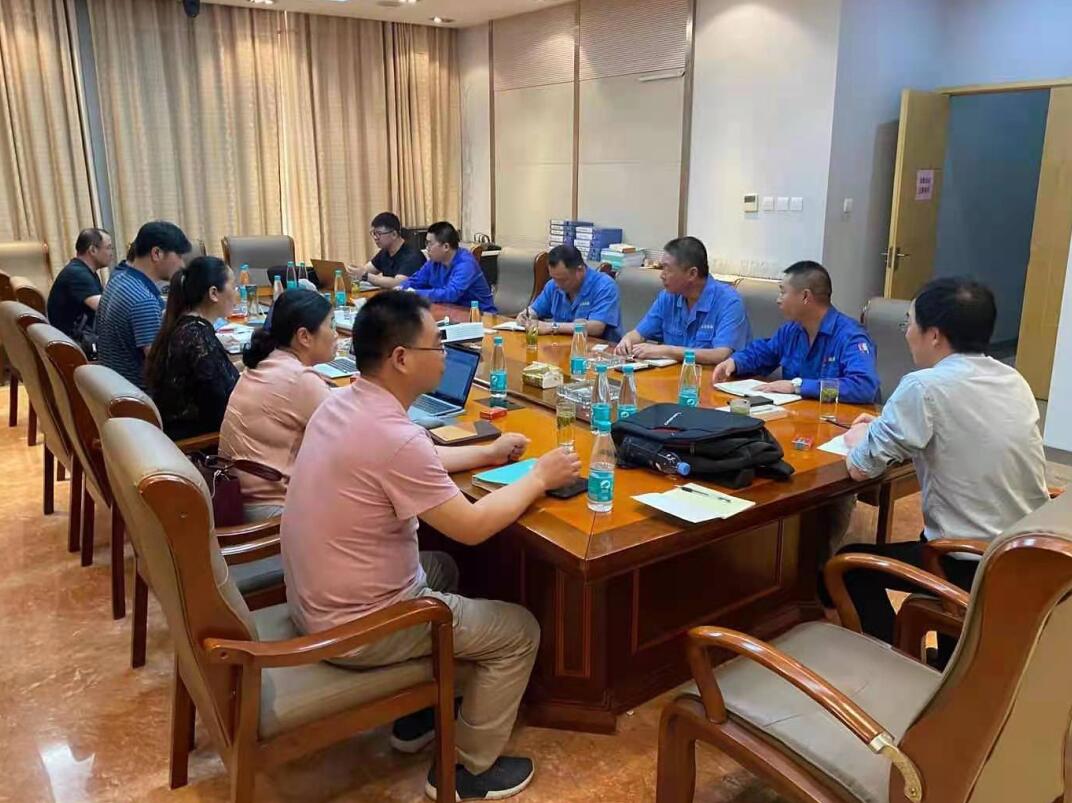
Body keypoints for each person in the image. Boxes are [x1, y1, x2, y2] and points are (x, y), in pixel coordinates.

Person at [281, 291, 580, 800]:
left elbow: (410, 463)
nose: (446, 354)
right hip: (358, 627)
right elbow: (473, 526)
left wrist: (487, 452)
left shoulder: (343, 403)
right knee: (520, 631)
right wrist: (539, 478)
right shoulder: (394, 436)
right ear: (401, 358)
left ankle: (417, 713)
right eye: (437, 345)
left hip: (315, 600)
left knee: (442, 566)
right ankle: (466, 771)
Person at [833, 277, 1049, 663]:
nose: (907, 333)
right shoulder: (1012, 379)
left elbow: (861, 468)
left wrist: (860, 437)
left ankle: (898, 665)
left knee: (848, 568)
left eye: (909, 323)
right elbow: (963, 432)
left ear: (934, 335)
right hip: (1023, 554)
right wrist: (883, 427)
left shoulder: (924, 387)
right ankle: (946, 665)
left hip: (967, 562)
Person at [218, 290, 335, 522]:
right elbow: (351, 441)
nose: (336, 334)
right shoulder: (301, 380)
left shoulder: (267, 361)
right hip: (271, 510)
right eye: (331, 325)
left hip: (236, 496)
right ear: (304, 336)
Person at [712, 260, 880, 404]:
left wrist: (799, 386)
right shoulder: (792, 330)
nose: (778, 300)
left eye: (783, 292)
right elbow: (764, 353)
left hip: (837, 421)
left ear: (805, 296)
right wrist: (735, 362)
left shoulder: (850, 336)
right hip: (798, 417)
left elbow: (863, 387)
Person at [145, 256, 240, 440]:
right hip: (200, 442)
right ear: (214, 293)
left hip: (184, 431)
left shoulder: (187, 325)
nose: (237, 295)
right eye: (234, 286)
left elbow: (212, 378)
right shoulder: (197, 338)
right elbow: (223, 405)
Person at [614, 236, 750, 364]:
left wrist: (666, 351)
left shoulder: (729, 302)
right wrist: (628, 340)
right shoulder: (668, 297)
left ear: (692, 274)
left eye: (667, 269)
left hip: (714, 377)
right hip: (675, 375)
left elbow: (721, 355)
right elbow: (639, 333)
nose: (662, 275)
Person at [96, 220, 191, 389]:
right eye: (179, 256)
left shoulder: (118, 280)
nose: (182, 265)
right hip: (140, 394)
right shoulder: (143, 300)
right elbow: (161, 368)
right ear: (156, 253)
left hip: (113, 386)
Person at [516, 244, 622, 341]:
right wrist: (526, 315)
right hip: (562, 346)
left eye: (562, 280)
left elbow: (596, 327)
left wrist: (552, 327)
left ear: (580, 270)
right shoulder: (553, 285)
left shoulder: (605, 285)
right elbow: (535, 309)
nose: (557, 285)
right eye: (554, 278)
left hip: (597, 348)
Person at [400, 221, 497, 313]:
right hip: (451, 312)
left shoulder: (466, 263)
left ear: (446, 247)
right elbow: (415, 281)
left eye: (430, 243)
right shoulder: (433, 262)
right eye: (426, 243)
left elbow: (451, 294)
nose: (427, 248)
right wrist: (399, 289)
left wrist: (415, 293)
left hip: (480, 316)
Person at [47, 228, 114, 354]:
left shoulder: (82, 270)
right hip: (74, 346)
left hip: (78, 340)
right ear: (92, 250)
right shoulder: (77, 274)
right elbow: (108, 309)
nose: (111, 253)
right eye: (109, 248)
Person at [347, 212, 426, 289]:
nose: (375, 238)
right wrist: (354, 272)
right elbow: (367, 269)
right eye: (373, 233)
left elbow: (399, 283)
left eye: (379, 234)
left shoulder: (412, 256)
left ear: (394, 234)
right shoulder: (385, 252)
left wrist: (365, 276)